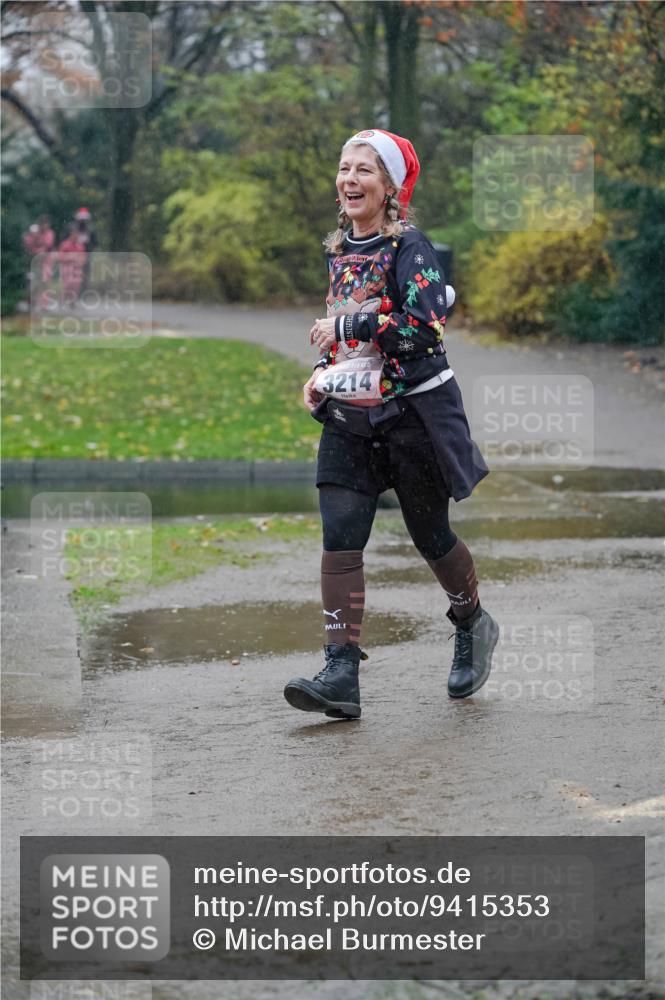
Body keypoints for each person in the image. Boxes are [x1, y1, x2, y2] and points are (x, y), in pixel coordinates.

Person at [283, 128, 499, 721]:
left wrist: (351, 330)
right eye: (344, 168)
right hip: (352, 418)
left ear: (390, 189)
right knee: (340, 536)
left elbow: (424, 331)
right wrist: (322, 375)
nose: (349, 179)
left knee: (430, 535)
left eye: (365, 171)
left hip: (413, 417)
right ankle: (340, 672)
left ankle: (471, 621)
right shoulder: (340, 251)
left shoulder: (412, 248)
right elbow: (344, 342)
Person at [22, 215, 55, 309]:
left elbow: (48, 245)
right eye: (44, 224)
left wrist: (39, 243)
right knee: (33, 282)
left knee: (44, 282)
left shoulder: (49, 233)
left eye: (47, 224)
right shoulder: (34, 233)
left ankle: (44, 304)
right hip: (34, 261)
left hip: (45, 262)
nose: (45, 226)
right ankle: (31, 302)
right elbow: (28, 244)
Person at [57, 224, 86, 308]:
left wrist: (80, 262)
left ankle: (72, 302)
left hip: (77, 268)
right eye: (74, 234)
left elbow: (83, 257)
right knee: (68, 285)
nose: (76, 236)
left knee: (76, 285)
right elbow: (61, 256)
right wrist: (71, 257)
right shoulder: (65, 244)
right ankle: (62, 300)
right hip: (67, 267)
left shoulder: (80, 246)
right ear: (71, 234)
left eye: (77, 234)